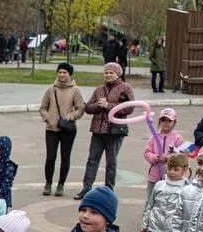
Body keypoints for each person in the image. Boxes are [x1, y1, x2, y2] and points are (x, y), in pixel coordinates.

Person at [75, 62, 134, 199]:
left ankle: (109, 190)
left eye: (111, 72)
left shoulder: (125, 88)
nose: (108, 75)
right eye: (106, 72)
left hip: (115, 131)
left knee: (111, 162)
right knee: (92, 160)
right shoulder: (99, 89)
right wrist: (98, 105)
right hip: (97, 131)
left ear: (118, 74)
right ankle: (87, 188)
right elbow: (88, 108)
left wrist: (108, 105)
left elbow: (129, 108)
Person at [39, 62, 85, 197]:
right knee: (50, 157)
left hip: (68, 129)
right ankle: (48, 183)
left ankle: (61, 184)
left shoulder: (75, 90)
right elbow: (43, 107)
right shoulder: (51, 89)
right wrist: (48, 118)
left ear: (70, 74)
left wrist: (70, 117)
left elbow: (80, 108)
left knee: (65, 158)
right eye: (60, 72)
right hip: (51, 129)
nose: (62, 75)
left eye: (65, 72)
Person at [142, 107, 185, 199]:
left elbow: (182, 155)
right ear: (159, 121)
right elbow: (147, 152)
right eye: (163, 120)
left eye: (169, 121)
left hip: (171, 176)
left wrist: (168, 158)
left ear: (174, 122)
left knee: (168, 199)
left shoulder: (177, 138)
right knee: (151, 198)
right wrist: (154, 157)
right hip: (154, 175)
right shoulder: (154, 137)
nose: (165, 123)